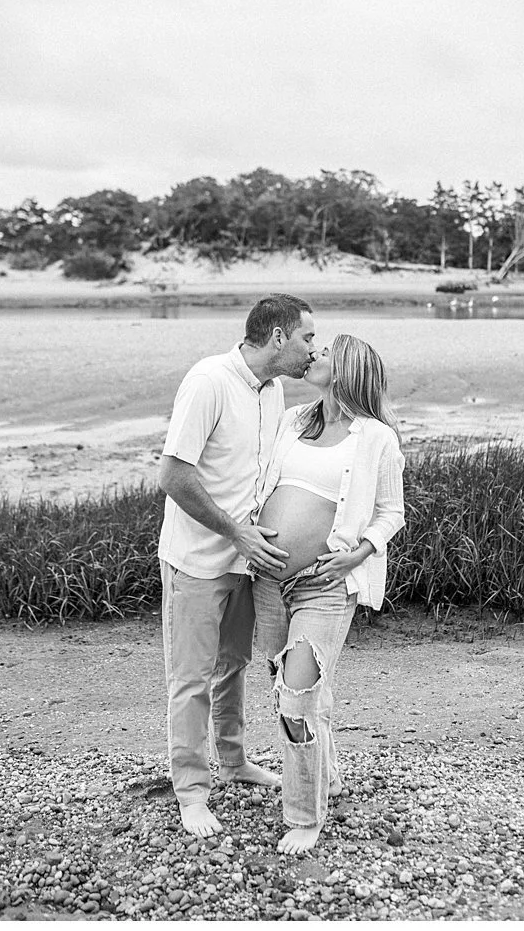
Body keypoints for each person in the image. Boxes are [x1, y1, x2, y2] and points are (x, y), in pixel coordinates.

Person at [157, 293, 316, 837]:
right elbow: (174, 476)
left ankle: (233, 761)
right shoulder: (209, 380)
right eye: (307, 339)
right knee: (192, 678)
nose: (311, 349)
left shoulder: (273, 390)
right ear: (278, 338)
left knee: (233, 667)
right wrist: (235, 533)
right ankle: (191, 792)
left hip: (248, 564)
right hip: (199, 561)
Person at [251, 333, 406, 854]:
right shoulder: (295, 421)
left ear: (346, 372)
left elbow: (391, 514)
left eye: (324, 354)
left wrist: (358, 554)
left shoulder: (377, 438)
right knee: (291, 694)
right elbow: (263, 485)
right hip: (269, 582)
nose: (313, 357)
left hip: (324, 585)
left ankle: (304, 815)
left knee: (296, 699)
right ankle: (327, 778)